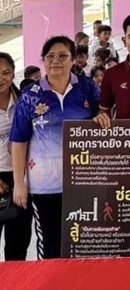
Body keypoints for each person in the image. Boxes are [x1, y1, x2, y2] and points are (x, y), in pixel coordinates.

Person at [11, 37, 100, 259]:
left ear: (74, 60)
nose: (55, 61)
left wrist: (103, 116)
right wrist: (19, 183)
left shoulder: (87, 88)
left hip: (83, 181)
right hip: (44, 185)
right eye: (50, 56)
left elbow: (105, 113)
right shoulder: (30, 95)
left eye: (62, 56)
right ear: (43, 60)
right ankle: (50, 283)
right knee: (50, 245)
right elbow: (19, 141)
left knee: (82, 243)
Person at [0, 52, 31, 260]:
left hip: (22, 179)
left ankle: (14, 282)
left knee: (18, 245)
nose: (1, 78)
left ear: (13, 74)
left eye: (6, 73)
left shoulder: (25, 102)